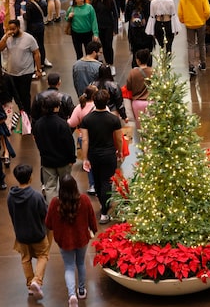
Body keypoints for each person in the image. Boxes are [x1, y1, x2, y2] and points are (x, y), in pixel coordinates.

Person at [45, 175, 98, 307]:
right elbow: (92, 218)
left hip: (64, 241)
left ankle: (71, 295)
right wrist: (94, 229)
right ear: (75, 186)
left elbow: (48, 224)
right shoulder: (84, 200)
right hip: (81, 238)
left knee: (69, 267)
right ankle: (81, 290)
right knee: (80, 264)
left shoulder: (55, 203)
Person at [7, 163, 50, 300]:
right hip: (37, 233)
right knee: (43, 255)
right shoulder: (36, 196)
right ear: (30, 178)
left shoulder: (11, 197)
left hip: (21, 235)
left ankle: (29, 285)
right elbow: (45, 214)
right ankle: (36, 281)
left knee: (25, 259)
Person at [79, 90, 123, 224]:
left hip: (94, 154)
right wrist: (119, 151)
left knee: (97, 182)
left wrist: (85, 157)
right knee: (106, 182)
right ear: (107, 101)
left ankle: (102, 203)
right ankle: (104, 211)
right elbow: (119, 138)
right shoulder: (114, 119)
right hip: (109, 154)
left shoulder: (87, 119)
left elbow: (85, 140)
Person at [32, 93, 76, 202]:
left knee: (50, 187)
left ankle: (53, 209)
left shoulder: (38, 124)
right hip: (63, 161)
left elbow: (37, 141)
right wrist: (72, 158)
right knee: (65, 185)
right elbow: (69, 142)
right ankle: (65, 206)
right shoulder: (62, 124)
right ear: (56, 107)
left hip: (47, 161)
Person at [0, 20, 41, 115]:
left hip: (25, 72)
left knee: (24, 95)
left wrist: (38, 69)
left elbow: (36, 53)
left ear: (18, 27)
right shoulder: (7, 37)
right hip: (11, 73)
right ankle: (20, 113)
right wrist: (5, 37)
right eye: (9, 29)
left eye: (13, 29)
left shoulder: (29, 38)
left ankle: (27, 114)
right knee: (15, 96)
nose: (11, 31)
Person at [125, 0, 155, 66]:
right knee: (147, 53)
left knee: (135, 53)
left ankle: (136, 71)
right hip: (146, 33)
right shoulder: (148, 3)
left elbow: (127, 17)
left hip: (134, 33)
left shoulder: (130, 3)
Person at [125, 49, 153, 131]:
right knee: (151, 127)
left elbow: (128, 87)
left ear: (138, 60)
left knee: (140, 127)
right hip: (151, 101)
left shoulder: (133, 72)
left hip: (137, 103)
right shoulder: (153, 71)